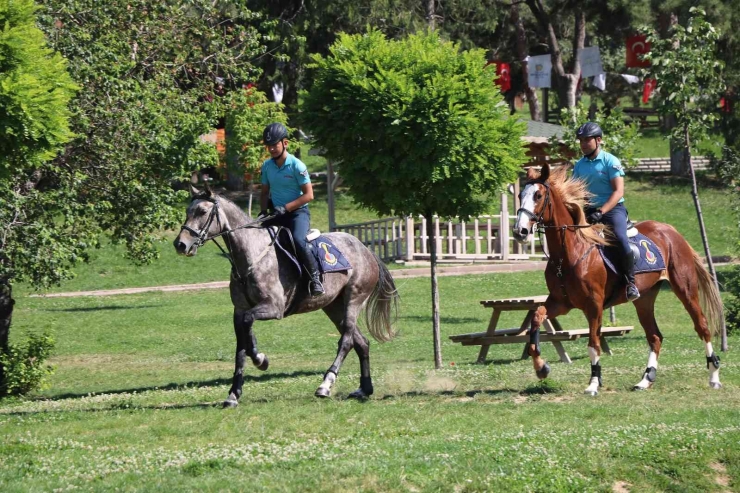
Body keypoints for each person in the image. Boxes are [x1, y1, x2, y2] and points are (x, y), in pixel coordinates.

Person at [572, 122, 640, 301]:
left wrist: (601, 211)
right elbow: (576, 192)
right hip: (588, 210)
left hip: (612, 209)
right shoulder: (579, 166)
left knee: (619, 237)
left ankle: (630, 283)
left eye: (587, 140)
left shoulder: (611, 161)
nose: (583, 144)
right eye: (581, 141)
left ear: (598, 140)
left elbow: (618, 192)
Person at [258, 122, 324, 296]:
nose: (271, 149)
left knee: (297, 239)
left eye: (274, 145)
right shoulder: (266, 166)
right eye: (269, 146)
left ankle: (315, 278)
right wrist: (263, 211)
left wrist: (286, 208)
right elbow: (264, 192)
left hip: (297, 213)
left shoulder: (297, 166)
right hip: (277, 213)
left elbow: (309, 195)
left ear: (285, 143)